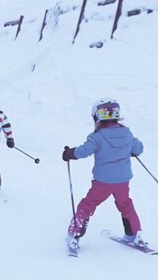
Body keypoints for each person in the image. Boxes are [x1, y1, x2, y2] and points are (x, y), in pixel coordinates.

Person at [62, 98, 146, 252]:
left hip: (103, 181)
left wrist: (70, 153)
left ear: (97, 117)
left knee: (87, 205)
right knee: (125, 204)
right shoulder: (126, 133)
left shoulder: (97, 136)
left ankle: (75, 234)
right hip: (123, 180)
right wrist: (130, 149)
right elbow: (139, 148)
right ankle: (134, 234)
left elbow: (84, 151)